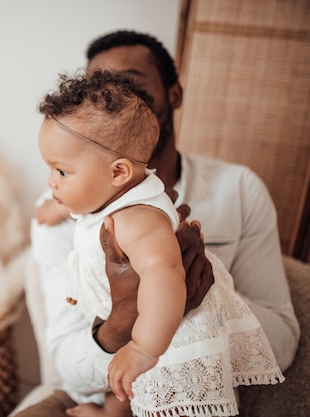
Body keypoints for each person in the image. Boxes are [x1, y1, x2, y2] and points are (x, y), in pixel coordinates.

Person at [17, 30, 300, 416]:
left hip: (173, 362)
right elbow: (67, 365)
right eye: (100, 92)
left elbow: (282, 343)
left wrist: (182, 309)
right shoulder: (81, 197)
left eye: (126, 86)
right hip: (104, 375)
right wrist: (122, 318)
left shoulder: (232, 191)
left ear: (173, 93)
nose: (111, 100)